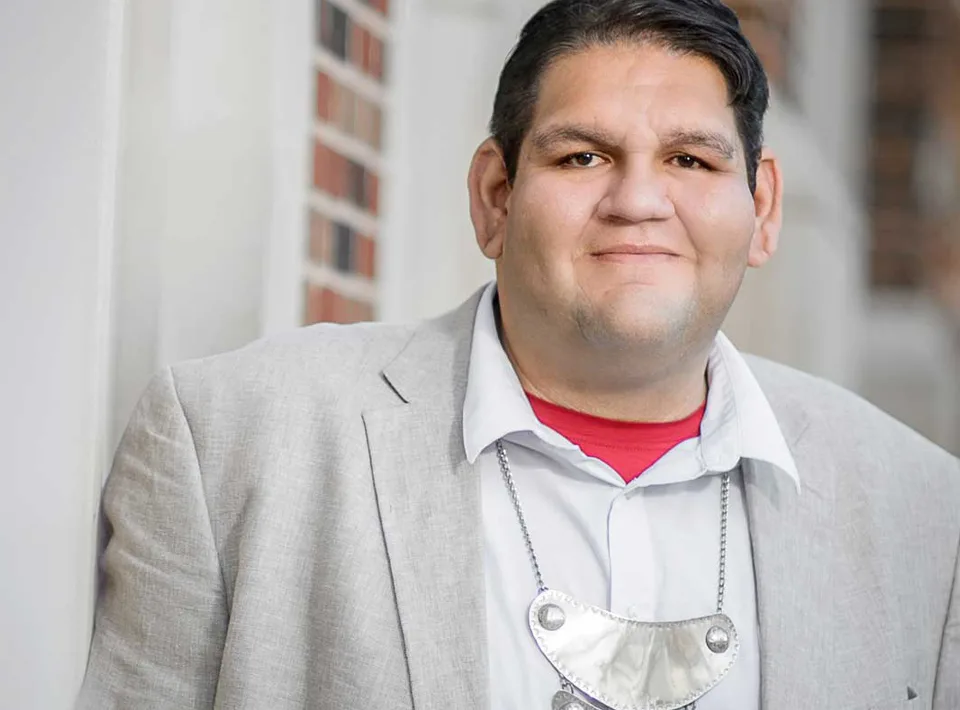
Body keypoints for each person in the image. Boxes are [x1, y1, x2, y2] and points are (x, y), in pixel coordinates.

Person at [77, 0, 959, 708]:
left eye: (691, 160)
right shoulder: (231, 443)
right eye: (583, 156)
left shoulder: (925, 514)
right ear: (496, 196)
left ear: (762, 210)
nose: (639, 199)